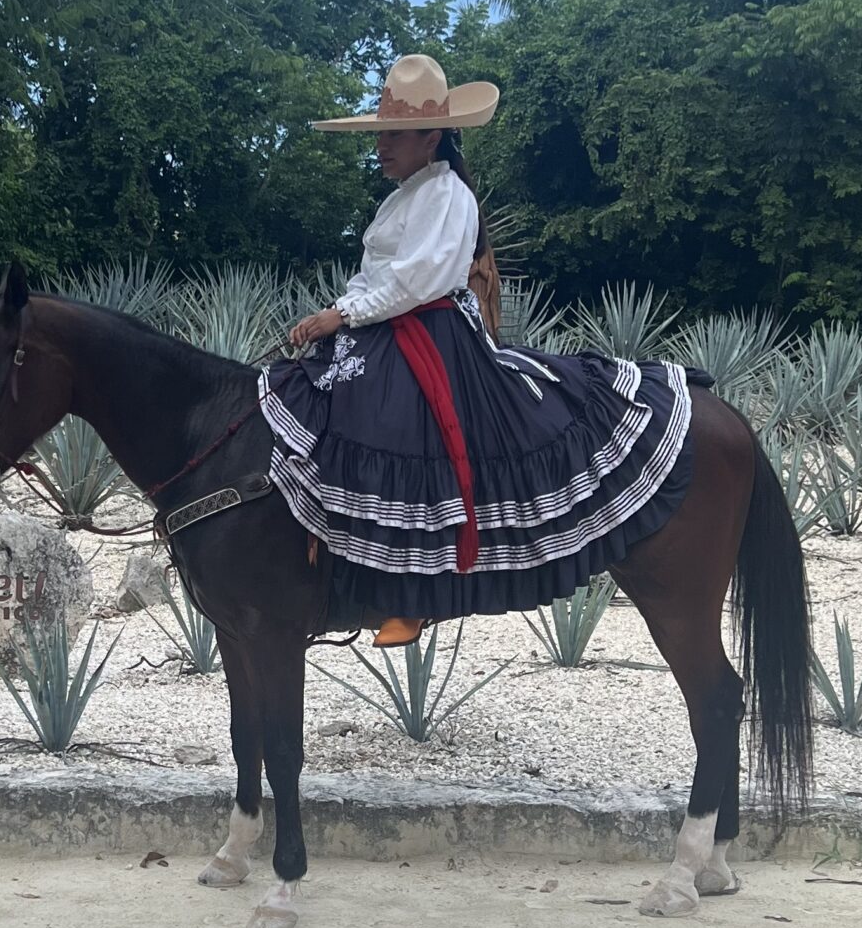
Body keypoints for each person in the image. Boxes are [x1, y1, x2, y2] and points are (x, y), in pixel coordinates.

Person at [270, 52, 694, 644]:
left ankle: (413, 590)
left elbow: (418, 278)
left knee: (395, 423)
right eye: (380, 135)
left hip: (429, 330)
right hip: (387, 322)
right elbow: (377, 276)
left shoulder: (446, 194)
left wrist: (341, 314)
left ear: (432, 136)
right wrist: (341, 315)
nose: (382, 147)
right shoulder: (406, 194)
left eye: (395, 135)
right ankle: (335, 567)